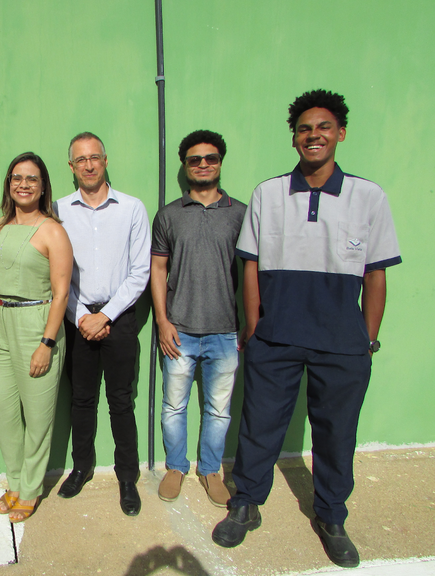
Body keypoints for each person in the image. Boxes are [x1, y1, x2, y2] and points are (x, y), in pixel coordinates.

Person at [212, 90, 402, 568]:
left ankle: (332, 514)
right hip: (275, 338)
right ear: (294, 137)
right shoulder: (268, 193)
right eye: (303, 128)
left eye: (322, 127)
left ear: (340, 133)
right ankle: (247, 502)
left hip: (342, 343)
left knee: (337, 433)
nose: (313, 135)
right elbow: (250, 266)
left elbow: (376, 272)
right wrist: (254, 327)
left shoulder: (368, 196)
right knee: (259, 427)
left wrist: (367, 338)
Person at [54, 132, 151, 516]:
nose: (89, 165)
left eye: (95, 157)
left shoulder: (131, 208)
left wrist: (106, 315)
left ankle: (128, 477)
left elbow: (140, 271)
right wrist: (81, 318)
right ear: (71, 166)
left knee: (121, 401)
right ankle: (82, 468)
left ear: (106, 160)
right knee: (80, 400)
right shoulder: (58, 211)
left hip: (119, 319)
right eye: (81, 159)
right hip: (76, 318)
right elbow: (56, 277)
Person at [151, 130, 246, 507]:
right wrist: (162, 321)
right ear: (185, 165)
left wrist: (248, 324)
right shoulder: (170, 215)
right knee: (173, 406)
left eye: (210, 158)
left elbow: (253, 271)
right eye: (195, 159)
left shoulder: (240, 214)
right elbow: (158, 269)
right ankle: (176, 466)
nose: (203, 164)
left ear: (220, 162)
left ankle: (210, 470)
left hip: (225, 332)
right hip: (179, 331)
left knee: (218, 409)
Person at [0, 152, 73, 523]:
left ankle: (31, 488)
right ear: (9, 184)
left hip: (36, 325)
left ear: (42, 186)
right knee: (5, 413)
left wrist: (46, 343)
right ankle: (15, 480)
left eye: (31, 179)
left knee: (37, 417)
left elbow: (62, 292)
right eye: (17, 178)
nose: (23, 184)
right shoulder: (3, 226)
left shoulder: (52, 230)